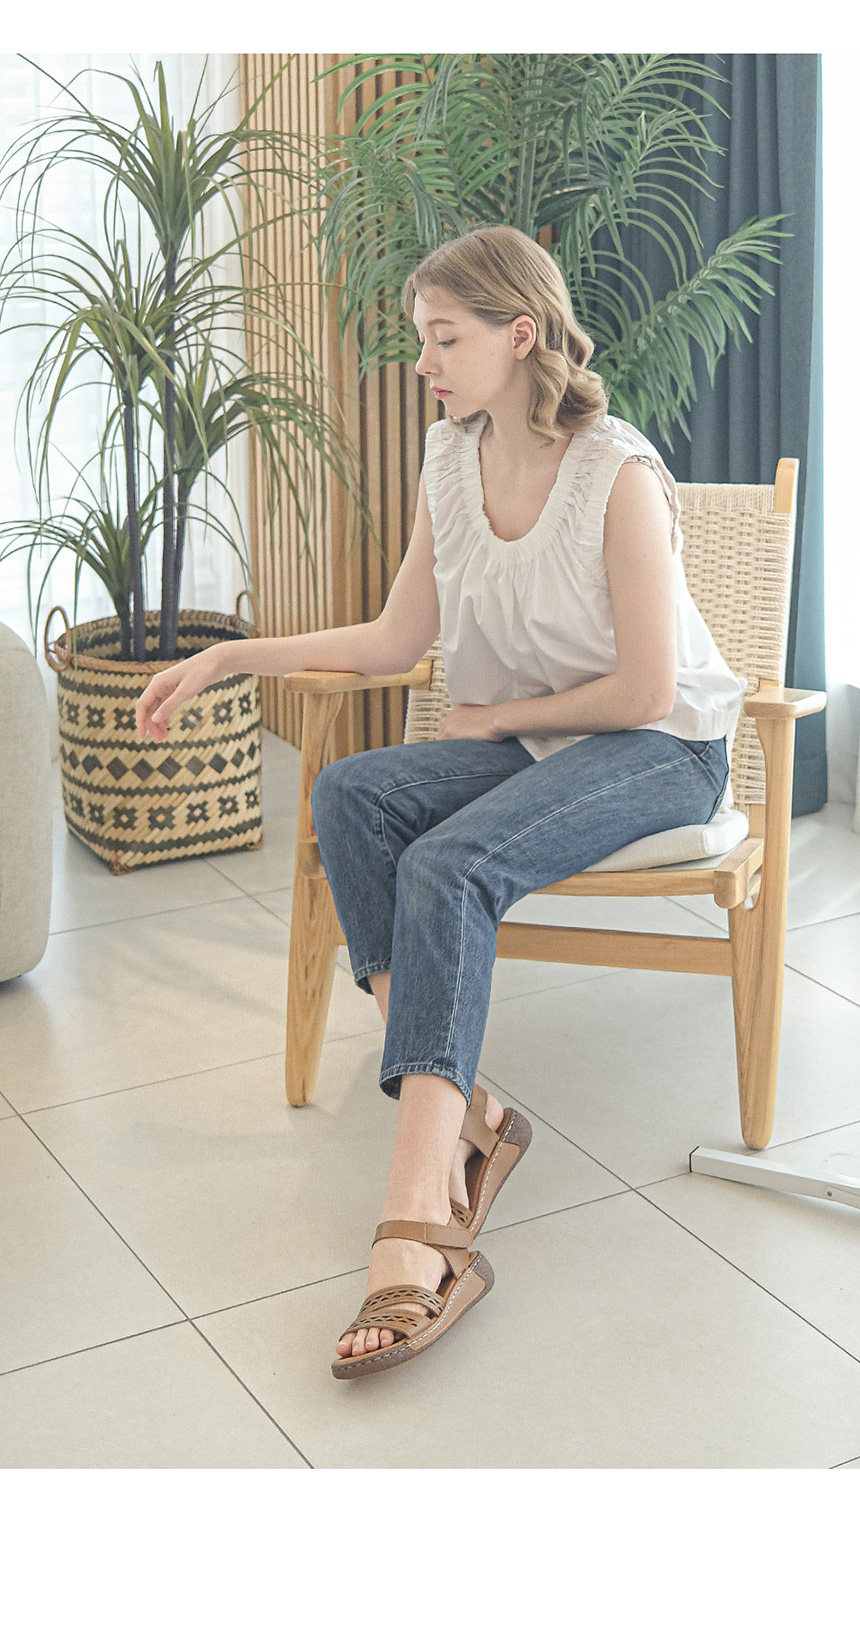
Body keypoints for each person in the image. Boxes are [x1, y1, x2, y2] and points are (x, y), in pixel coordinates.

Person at [135, 225, 745, 1382]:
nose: (422, 361)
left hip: (660, 749)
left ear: (518, 336)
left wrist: (503, 715)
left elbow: (645, 690)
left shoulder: (615, 474)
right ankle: (471, 1112)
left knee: (447, 862)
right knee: (353, 794)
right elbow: (393, 636)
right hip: (540, 740)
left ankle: (419, 1215)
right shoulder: (446, 458)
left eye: (442, 338)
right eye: (421, 338)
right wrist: (228, 655)